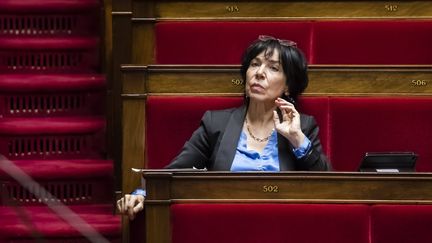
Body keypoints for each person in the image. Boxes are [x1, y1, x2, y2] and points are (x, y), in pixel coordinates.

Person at [117, 35, 331, 220]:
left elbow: (329, 189)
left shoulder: (303, 126)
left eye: (273, 68)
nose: (259, 73)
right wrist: (141, 193)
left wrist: (298, 140)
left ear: (287, 86)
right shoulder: (216, 123)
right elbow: (174, 171)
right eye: (255, 64)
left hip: (283, 226)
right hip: (222, 225)